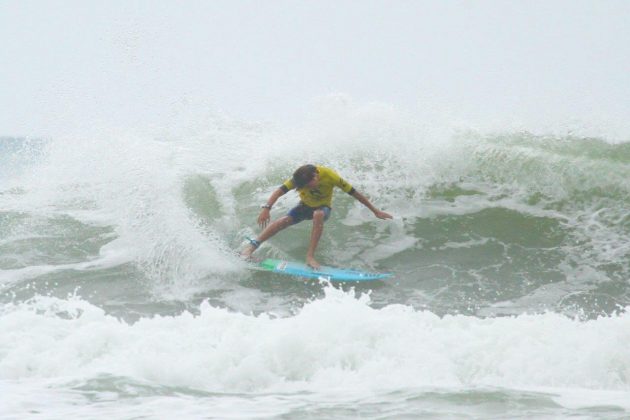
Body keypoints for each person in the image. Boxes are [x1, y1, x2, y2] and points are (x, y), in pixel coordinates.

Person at [241, 164, 393, 269]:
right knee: (284, 220)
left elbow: (355, 193)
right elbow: (279, 191)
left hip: (323, 208)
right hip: (305, 206)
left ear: (316, 176)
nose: (307, 187)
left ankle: (310, 257)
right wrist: (267, 208)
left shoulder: (331, 176)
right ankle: (250, 248)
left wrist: (375, 211)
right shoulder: (299, 178)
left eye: (309, 185)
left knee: (318, 214)